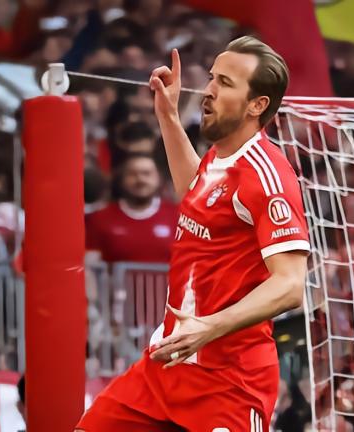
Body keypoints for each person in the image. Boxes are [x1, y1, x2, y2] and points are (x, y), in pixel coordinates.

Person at [77, 36, 310, 431]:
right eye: (212, 78)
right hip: (167, 363)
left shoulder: (267, 176)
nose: (208, 90)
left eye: (225, 83)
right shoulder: (219, 157)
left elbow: (289, 285)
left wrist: (211, 326)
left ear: (257, 105)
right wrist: (168, 116)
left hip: (229, 380)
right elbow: (196, 196)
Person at [85, 153, 177, 263]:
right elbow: (90, 264)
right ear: (122, 179)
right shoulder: (99, 218)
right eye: (133, 174)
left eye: (147, 173)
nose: (140, 179)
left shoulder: (178, 216)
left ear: (159, 178)